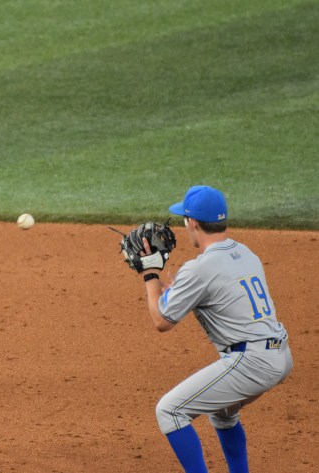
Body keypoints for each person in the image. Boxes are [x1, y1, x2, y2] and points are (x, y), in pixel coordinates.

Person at [139, 185, 292, 472]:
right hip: (279, 354)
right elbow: (217, 291)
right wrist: (176, 289)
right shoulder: (245, 253)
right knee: (222, 415)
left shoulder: (199, 269)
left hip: (253, 362)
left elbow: (161, 321)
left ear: (193, 223)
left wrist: (149, 273)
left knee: (170, 411)